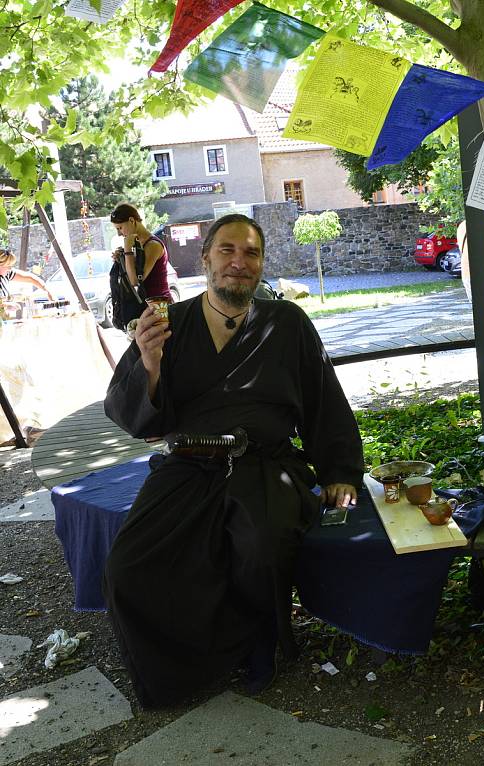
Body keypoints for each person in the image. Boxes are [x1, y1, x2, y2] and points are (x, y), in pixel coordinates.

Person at [103, 213, 364, 708]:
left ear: (262, 264)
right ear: (205, 260)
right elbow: (130, 415)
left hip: (264, 463)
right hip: (187, 464)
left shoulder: (286, 324)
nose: (238, 264)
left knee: (261, 544)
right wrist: (152, 366)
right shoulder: (166, 325)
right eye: (227, 251)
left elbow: (325, 400)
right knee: (127, 566)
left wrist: (339, 473)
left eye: (251, 254)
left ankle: (257, 645)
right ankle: (182, 666)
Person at [109, 203, 171, 328]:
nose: (119, 234)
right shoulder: (138, 244)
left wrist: (127, 251)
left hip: (158, 309)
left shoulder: (153, 245)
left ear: (132, 220)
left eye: (120, 228)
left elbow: (135, 281)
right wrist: (121, 258)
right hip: (145, 308)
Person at [0, 247, 54, 316]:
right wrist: (5, 305)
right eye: (7, 266)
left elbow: (30, 278)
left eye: (11, 266)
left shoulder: (6, 274)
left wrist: (47, 291)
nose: (10, 268)